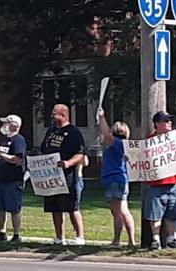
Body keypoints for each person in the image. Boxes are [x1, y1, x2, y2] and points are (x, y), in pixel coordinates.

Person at [143, 111, 176, 250]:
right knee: (155, 213)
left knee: (173, 213)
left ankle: (171, 238)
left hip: (174, 182)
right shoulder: (150, 140)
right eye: (165, 120)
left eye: (170, 120)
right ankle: (156, 239)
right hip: (156, 183)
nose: (169, 122)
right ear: (157, 124)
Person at [40, 104, 87, 245]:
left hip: (69, 176)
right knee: (55, 207)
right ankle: (59, 237)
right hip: (52, 176)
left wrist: (67, 163)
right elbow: (44, 149)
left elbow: (80, 154)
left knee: (72, 207)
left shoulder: (73, 133)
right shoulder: (51, 131)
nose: (52, 117)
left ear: (63, 115)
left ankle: (79, 237)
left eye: (55, 114)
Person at [97, 109, 135, 249]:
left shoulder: (117, 143)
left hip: (114, 180)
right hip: (120, 180)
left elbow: (106, 134)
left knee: (117, 212)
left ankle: (117, 241)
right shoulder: (123, 146)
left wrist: (101, 117)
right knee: (123, 210)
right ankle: (131, 241)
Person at [0, 114, 26, 242]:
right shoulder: (4, 139)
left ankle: (16, 234)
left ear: (13, 125)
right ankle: (2, 232)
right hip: (1, 178)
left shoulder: (18, 140)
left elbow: (16, 158)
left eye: (6, 123)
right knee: (0, 207)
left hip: (13, 179)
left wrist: (0, 154)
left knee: (14, 208)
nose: (3, 125)